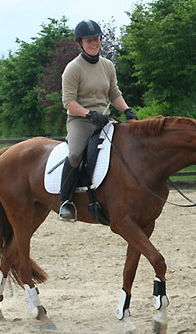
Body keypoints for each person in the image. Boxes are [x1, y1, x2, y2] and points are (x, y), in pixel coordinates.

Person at [59, 19, 137, 222]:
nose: (94, 43)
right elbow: (68, 101)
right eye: (89, 40)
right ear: (81, 42)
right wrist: (88, 114)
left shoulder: (108, 66)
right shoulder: (73, 68)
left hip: (103, 119)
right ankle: (65, 201)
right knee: (75, 154)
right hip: (80, 121)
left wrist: (127, 110)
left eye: (96, 39)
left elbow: (114, 93)